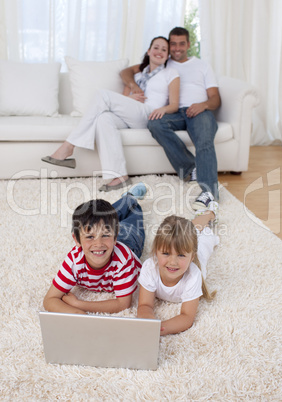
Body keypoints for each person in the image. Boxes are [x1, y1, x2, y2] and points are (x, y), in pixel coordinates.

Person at [41, 36, 180, 192]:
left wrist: (163, 109)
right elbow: (122, 98)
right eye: (156, 47)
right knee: (103, 118)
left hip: (149, 113)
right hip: (132, 113)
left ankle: (69, 146)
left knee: (102, 95)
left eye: (164, 49)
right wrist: (129, 98)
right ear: (148, 51)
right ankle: (119, 176)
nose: (159, 52)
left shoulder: (171, 73)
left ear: (168, 55)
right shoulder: (138, 73)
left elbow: (174, 105)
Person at [120, 27, 221, 209]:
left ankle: (209, 194)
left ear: (188, 45)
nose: (176, 48)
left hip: (199, 111)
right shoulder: (163, 62)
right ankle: (190, 168)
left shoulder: (202, 65)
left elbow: (215, 99)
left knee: (204, 141)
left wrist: (203, 105)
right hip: (174, 113)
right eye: (172, 44)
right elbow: (126, 71)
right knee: (155, 123)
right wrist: (134, 86)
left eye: (181, 43)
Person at [43, 182, 147, 314]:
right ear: (77, 240)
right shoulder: (74, 260)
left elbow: (123, 304)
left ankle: (130, 197)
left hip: (128, 238)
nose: (98, 243)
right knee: (104, 218)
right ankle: (117, 209)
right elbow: (49, 299)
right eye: (90, 237)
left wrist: (79, 304)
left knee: (134, 212)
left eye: (104, 235)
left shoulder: (123, 259)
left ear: (115, 237)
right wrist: (76, 314)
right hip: (111, 237)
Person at [137, 202, 219, 336]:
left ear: (192, 257)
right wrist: (149, 323)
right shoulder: (149, 267)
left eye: (180, 255)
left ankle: (210, 213)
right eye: (165, 253)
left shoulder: (194, 275)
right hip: (185, 244)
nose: (173, 262)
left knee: (206, 235)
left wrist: (159, 329)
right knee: (188, 231)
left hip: (199, 250)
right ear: (156, 251)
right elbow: (144, 305)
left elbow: (187, 317)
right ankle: (200, 218)